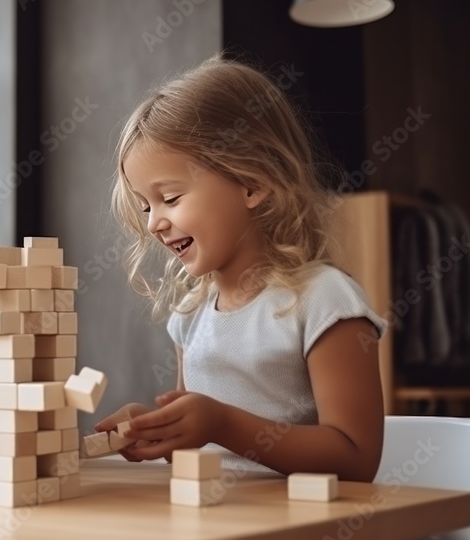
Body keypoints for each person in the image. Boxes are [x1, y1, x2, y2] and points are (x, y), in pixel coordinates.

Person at [95, 55, 386, 482]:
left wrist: (221, 423)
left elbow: (357, 459)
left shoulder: (324, 301)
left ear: (252, 181)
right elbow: (209, 455)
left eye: (171, 198)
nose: (154, 222)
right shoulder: (189, 316)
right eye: (145, 206)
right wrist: (164, 429)